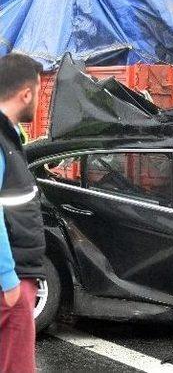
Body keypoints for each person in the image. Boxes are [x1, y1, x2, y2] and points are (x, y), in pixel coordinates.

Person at [0, 53, 46, 373]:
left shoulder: (10, 138)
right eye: (39, 92)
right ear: (25, 94)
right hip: (9, 280)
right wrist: (8, 281)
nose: (39, 100)